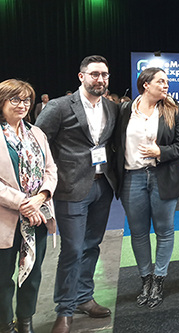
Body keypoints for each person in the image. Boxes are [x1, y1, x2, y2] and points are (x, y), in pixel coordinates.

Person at [36, 55, 119, 333]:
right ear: (81, 76)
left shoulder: (111, 107)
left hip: (102, 186)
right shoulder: (59, 106)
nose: (101, 79)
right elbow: (39, 144)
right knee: (72, 249)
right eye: (95, 74)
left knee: (92, 244)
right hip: (71, 189)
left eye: (105, 74)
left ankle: (84, 297)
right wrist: (43, 186)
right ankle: (65, 309)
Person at [114, 67, 179, 308]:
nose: (166, 85)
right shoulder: (125, 110)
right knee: (138, 232)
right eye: (161, 81)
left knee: (165, 231)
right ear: (146, 84)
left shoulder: (172, 111)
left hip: (163, 175)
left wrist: (160, 152)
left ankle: (159, 279)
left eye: (167, 82)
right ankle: (145, 279)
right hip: (132, 178)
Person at [0, 79, 57, 333]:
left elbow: (51, 170)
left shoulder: (36, 132)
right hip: (6, 218)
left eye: (26, 100)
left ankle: (26, 322)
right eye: (15, 99)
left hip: (37, 217)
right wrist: (23, 203)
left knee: (32, 274)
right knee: (2, 278)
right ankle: (5, 323)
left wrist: (41, 196)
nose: (22, 105)